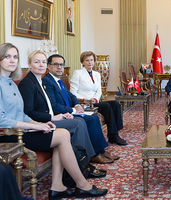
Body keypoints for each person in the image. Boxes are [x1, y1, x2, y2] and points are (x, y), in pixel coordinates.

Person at [0, 43, 107, 199]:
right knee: (63, 135)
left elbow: (21, 115)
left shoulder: (11, 83)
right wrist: (36, 126)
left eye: (15, 57)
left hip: (23, 130)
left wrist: (38, 124)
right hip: (10, 136)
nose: (12, 60)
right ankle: (82, 184)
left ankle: (58, 186)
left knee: (61, 136)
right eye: (7, 56)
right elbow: (2, 119)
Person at [18, 50, 106, 178]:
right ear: (29, 64)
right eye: (37, 62)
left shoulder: (40, 81)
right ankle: (84, 165)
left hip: (51, 118)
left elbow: (58, 101)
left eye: (43, 61)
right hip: (41, 123)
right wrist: (52, 117)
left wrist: (64, 115)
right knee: (78, 123)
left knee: (81, 121)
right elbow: (28, 112)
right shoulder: (28, 83)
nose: (41, 65)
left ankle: (84, 164)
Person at [42, 54, 120, 164]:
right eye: (56, 64)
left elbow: (71, 96)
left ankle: (101, 151)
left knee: (93, 117)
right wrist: (74, 110)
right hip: (62, 114)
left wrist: (77, 105)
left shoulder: (59, 80)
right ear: (48, 67)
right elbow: (54, 106)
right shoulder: (47, 81)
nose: (59, 67)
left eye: (61, 65)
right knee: (91, 119)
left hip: (72, 109)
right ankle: (95, 154)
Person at [68, 51, 127, 145]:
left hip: (94, 101)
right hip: (84, 103)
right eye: (87, 60)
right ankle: (113, 135)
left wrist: (95, 99)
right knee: (107, 106)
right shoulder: (77, 73)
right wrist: (85, 100)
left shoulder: (97, 74)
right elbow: (72, 93)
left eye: (91, 60)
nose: (89, 62)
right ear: (82, 62)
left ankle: (115, 133)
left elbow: (99, 90)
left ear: (94, 61)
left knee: (115, 103)